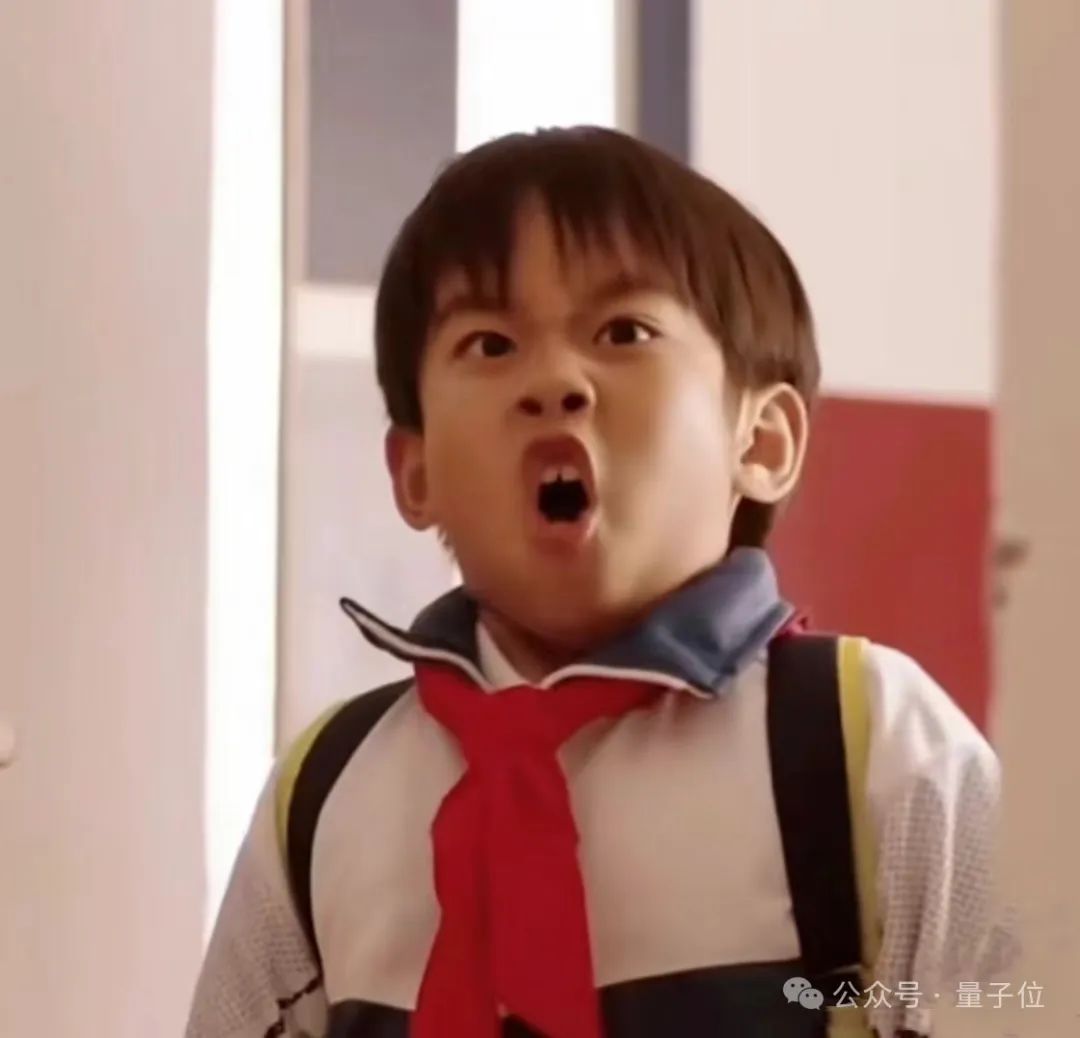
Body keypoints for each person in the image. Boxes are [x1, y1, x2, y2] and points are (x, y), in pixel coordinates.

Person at [185, 127, 1014, 1038]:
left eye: (625, 332)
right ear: (414, 472)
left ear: (761, 441)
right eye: (490, 344)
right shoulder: (326, 795)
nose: (554, 382)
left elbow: (1018, 1005)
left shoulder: (871, 745)